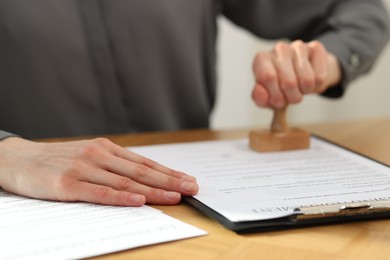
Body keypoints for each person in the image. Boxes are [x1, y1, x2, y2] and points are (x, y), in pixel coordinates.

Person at [0, 1, 389, 206]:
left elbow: (359, 9)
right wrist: (6, 153)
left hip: (195, 206)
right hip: (34, 211)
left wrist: (324, 61)